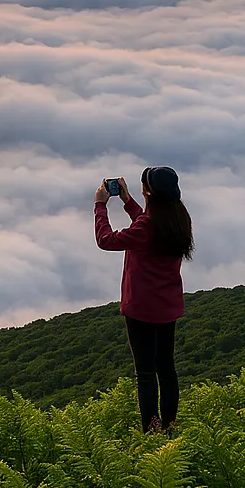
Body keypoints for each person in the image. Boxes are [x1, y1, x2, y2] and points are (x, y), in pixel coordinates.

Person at [94, 166, 194, 433]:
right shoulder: (178, 218)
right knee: (166, 368)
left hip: (141, 309)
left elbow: (105, 240)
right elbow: (146, 226)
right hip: (167, 306)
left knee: (146, 374)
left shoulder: (148, 226)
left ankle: (151, 430)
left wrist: (100, 206)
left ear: (148, 191)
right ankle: (170, 423)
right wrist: (128, 202)